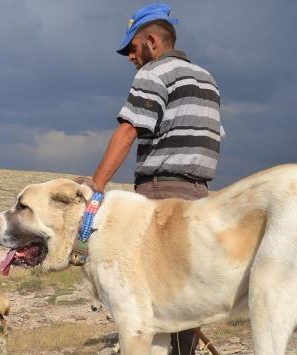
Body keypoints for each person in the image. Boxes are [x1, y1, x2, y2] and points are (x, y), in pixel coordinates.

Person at [77, 3, 223, 355]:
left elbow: (129, 130)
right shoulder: (207, 80)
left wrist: (95, 187)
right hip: (200, 196)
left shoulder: (153, 74)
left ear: (153, 41)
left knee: (146, 292)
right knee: (184, 292)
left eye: (132, 47)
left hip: (161, 192)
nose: (130, 57)